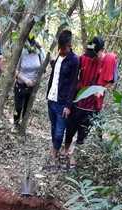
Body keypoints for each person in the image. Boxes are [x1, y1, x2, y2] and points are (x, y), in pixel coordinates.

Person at [64, 36, 117, 169]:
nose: (92, 57)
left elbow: (110, 82)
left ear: (102, 50)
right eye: (90, 54)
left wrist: (101, 89)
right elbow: (74, 75)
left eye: (95, 54)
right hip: (78, 103)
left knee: (82, 135)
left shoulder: (109, 60)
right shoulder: (85, 58)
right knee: (69, 131)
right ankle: (65, 153)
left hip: (92, 107)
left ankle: (74, 158)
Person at [46, 29, 79, 167]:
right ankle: (55, 148)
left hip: (62, 102)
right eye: (59, 47)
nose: (61, 50)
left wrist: (68, 105)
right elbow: (56, 75)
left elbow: (73, 84)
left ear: (70, 45)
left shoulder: (74, 60)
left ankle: (54, 151)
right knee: (54, 127)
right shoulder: (59, 57)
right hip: (51, 99)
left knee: (60, 131)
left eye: (63, 48)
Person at [14, 34, 44, 131]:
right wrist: (25, 80)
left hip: (33, 86)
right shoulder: (21, 51)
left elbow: (43, 68)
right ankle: (15, 123)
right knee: (18, 107)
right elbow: (14, 70)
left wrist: (36, 80)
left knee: (27, 107)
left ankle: (23, 126)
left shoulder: (39, 52)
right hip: (21, 84)